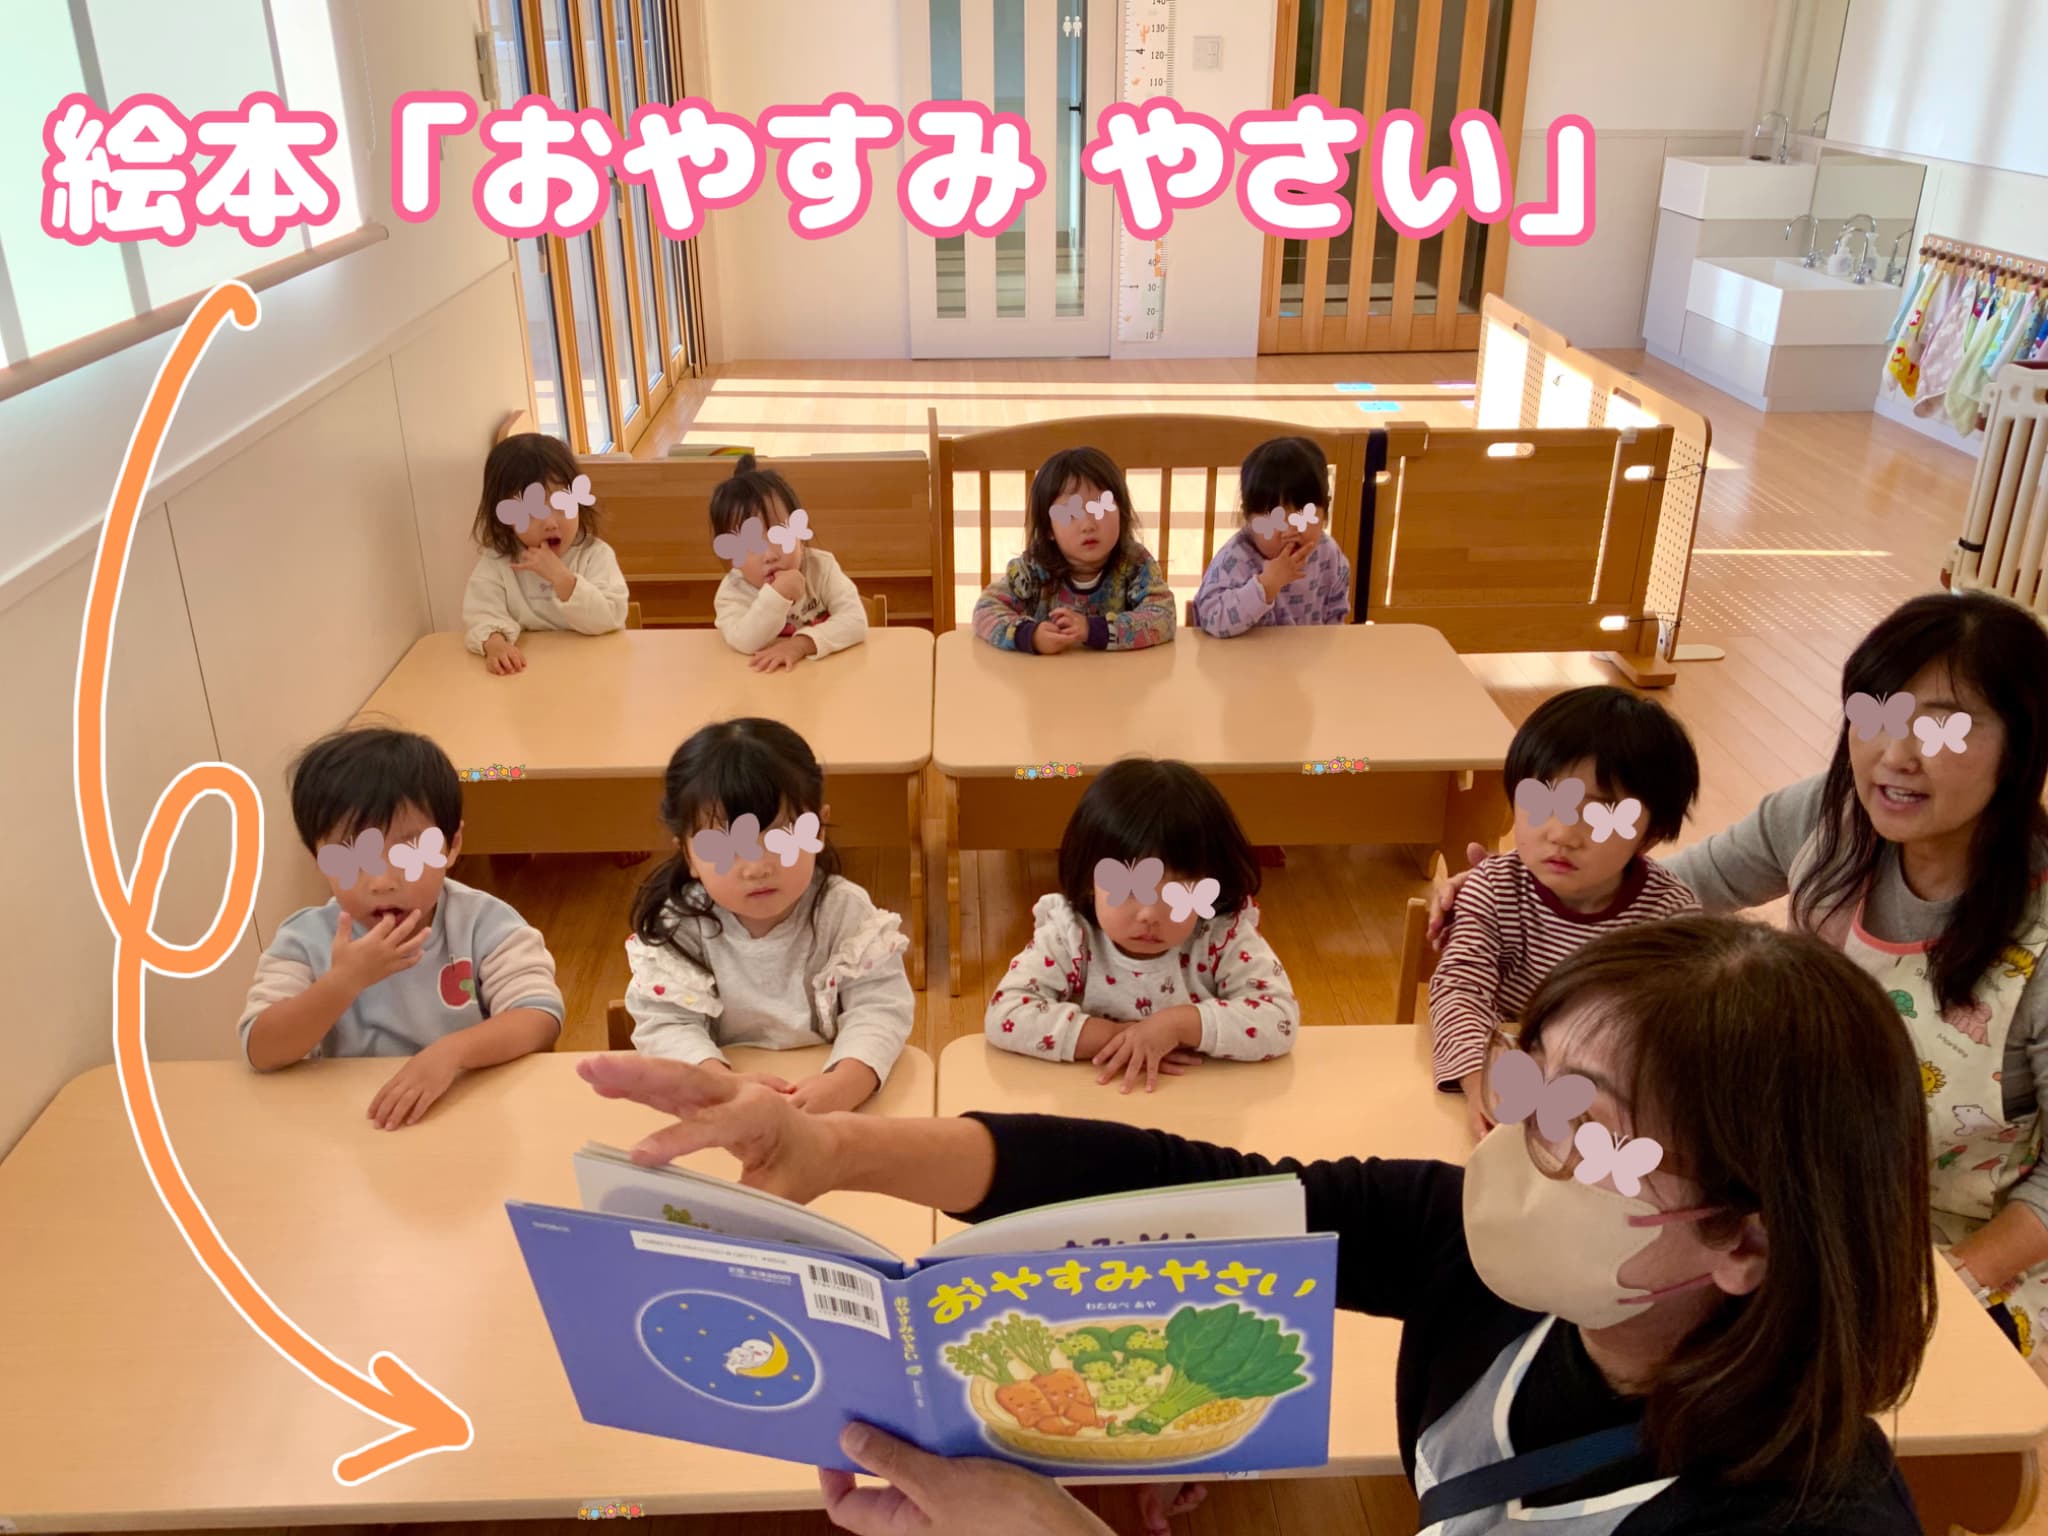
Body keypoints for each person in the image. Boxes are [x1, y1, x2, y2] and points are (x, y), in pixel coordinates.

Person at [581, 917, 1933, 1534]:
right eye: (1529, 1091)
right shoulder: (1505, 1267)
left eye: (1585, 1136)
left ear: (1745, 1244)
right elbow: (1183, 1189)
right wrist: (834, 1150)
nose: (1506, 1147)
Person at [1430, 590, 2048, 1377]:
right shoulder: (1827, 818)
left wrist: (1947, 1285)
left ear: (2021, 746)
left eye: (1942, 726)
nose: (1895, 753)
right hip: (1785, 1200)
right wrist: (1522, 884)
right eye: (1876, 713)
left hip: (1950, 1246)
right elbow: (1659, 895)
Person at [237, 728, 563, 1127]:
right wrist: (341, 983)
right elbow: (261, 1049)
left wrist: (452, 1053)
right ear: (318, 859)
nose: (382, 881)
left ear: (452, 845)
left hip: (468, 1115)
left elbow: (539, 1016)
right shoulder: (305, 940)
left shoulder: (485, 924)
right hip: (354, 1126)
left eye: (409, 850)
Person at [1431, 686, 1700, 1138]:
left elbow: (1679, 1036)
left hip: (1611, 1102)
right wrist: (1480, 1085)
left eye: (1601, 812)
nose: (1562, 833)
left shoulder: (1671, 919)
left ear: (1650, 834)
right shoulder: (1493, 888)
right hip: (1506, 1072)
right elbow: (1460, 989)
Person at [624, 717, 914, 1113]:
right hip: (722, 1109)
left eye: (781, 838)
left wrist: (847, 1081)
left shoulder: (845, 912)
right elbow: (665, 1023)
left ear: (819, 830)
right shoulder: (680, 925)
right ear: (688, 854)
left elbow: (880, 1007)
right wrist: (717, 1082)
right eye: (727, 847)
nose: (758, 867)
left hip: (829, 1106)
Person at [986, 758, 1298, 1092]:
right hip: (1097, 1099)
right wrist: (1121, 1038)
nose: (1149, 914)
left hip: (1198, 1101)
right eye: (1130, 888)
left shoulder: (1221, 935)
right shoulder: (1070, 935)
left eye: (1176, 891)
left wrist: (1176, 1026)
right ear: (1090, 879)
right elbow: (1005, 1014)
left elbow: (1278, 1018)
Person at [972, 446, 1176, 654]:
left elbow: (1164, 616)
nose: (1088, 525)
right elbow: (985, 609)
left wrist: (1094, 630)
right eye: (1070, 513)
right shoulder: (1033, 569)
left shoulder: (1135, 564)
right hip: (1049, 673)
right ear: (1048, 529)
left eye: (1100, 508)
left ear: (1121, 513)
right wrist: (1030, 636)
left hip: (1121, 674)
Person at [463, 432, 630, 675]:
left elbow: (610, 618)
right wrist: (496, 645)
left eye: (562, 505)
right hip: (528, 674)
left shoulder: (595, 555)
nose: (550, 523)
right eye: (533, 512)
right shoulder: (497, 561)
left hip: (594, 671)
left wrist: (563, 580)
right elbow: (481, 613)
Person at [709, 454, 869, 673]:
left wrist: (800, 645)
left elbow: (855, 621)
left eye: (779, 535)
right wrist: (777, 596)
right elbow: (745, 641)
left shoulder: (821, 567)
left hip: (826, 678)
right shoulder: (733, 591)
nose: (769, 555)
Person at [1189, 435, 1352, 634]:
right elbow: (1210, 618)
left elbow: (1336, 618)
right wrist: (1266, 585)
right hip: (1244, 653)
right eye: (1275, 519)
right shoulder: (1236, 558)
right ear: (1248, 518)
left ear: (1325, 513)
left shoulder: (1328, 554)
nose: (1290, 531)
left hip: (1308, 652)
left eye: (1303, 515)